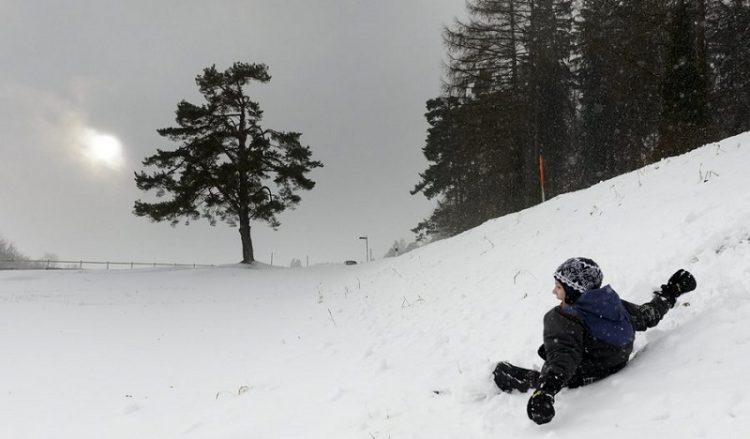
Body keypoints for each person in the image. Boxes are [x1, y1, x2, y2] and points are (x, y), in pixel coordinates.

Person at [492, 257, 697, 425]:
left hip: (586, 372)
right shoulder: (611, 304)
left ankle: (528, 381)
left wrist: (545, 392)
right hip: (614, 361)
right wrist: (671, 292)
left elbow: (564, 358)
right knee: (559, 345)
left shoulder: (562, 317)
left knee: (555, 356)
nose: (554, 291)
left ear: (573, 290)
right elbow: (646, 316)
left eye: (559, 287)